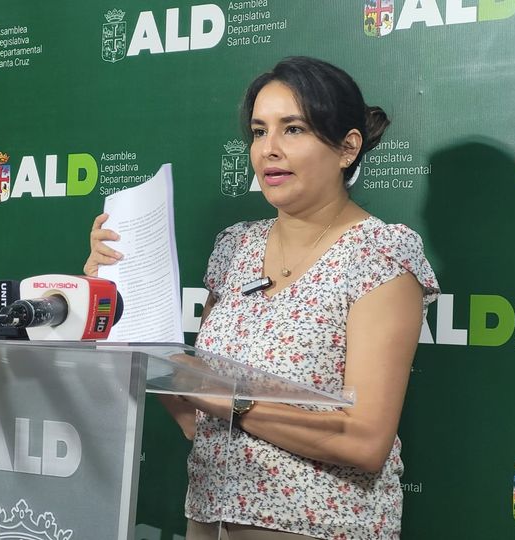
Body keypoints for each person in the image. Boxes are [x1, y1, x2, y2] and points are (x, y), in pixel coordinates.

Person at [84, 57, 439, 540]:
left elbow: (365, 441)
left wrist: (231, 401)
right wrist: (116, 300)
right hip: (208, 520)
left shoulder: (379, 253)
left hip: (320, 528)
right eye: (258, 131)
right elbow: (196, 416)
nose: (268, 149)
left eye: (293, 129)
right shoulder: (236, 246)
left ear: (347, 148)